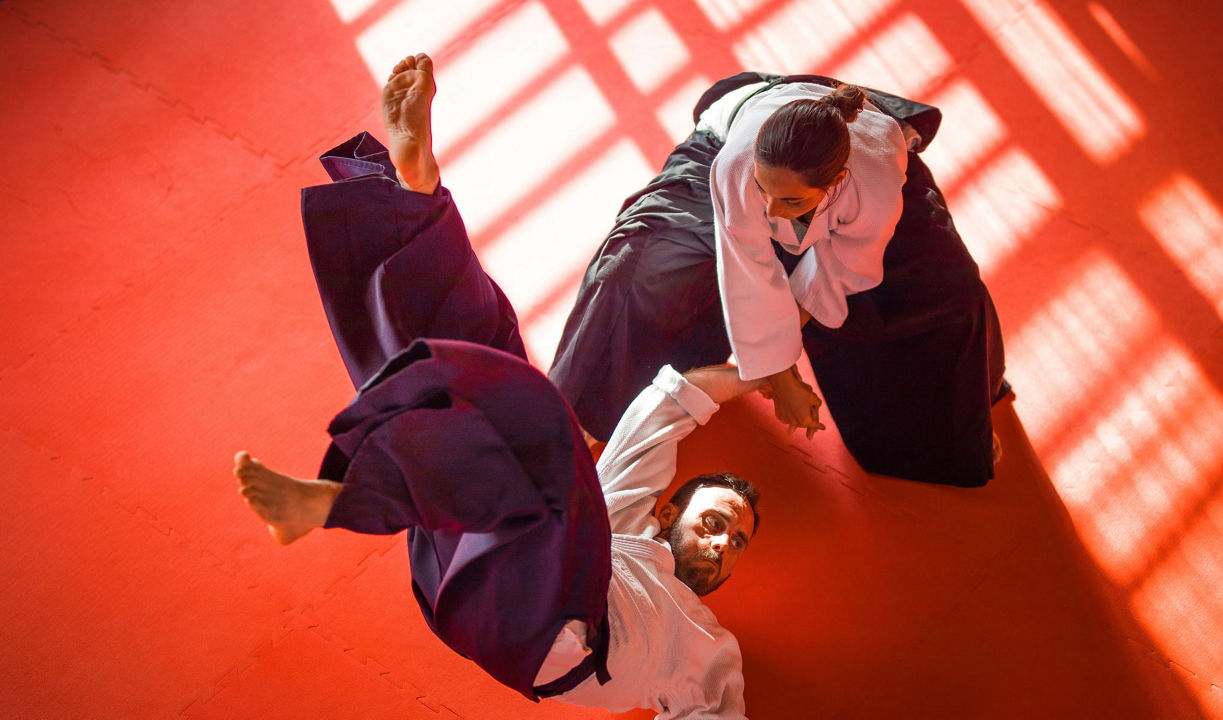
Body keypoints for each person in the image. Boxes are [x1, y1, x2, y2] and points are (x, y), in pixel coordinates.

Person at [234, 53, 761, 718]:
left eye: (735, 542)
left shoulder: (710, 646)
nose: (722, 545)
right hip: (473, 560)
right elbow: (666, 404)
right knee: (482, 371)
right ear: (665, 516)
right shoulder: (625, 532)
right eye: (715, 524)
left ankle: (340, 503)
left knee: (541, 438)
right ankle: (415, 202)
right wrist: (767, 366)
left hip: (550, 631)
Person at [549, 72, 1008, 487]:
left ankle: (956, 429)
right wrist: (781, 374)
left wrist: (781, 359)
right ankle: (591, 412)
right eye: (763, 194)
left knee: (951, 290)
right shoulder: (737, 164)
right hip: (735, 136)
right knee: (642, 270)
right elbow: (748, 265)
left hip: (856, 150)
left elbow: (839, 268)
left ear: (837, 182)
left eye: (788, 203)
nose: (769, 214)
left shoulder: (876, 177)